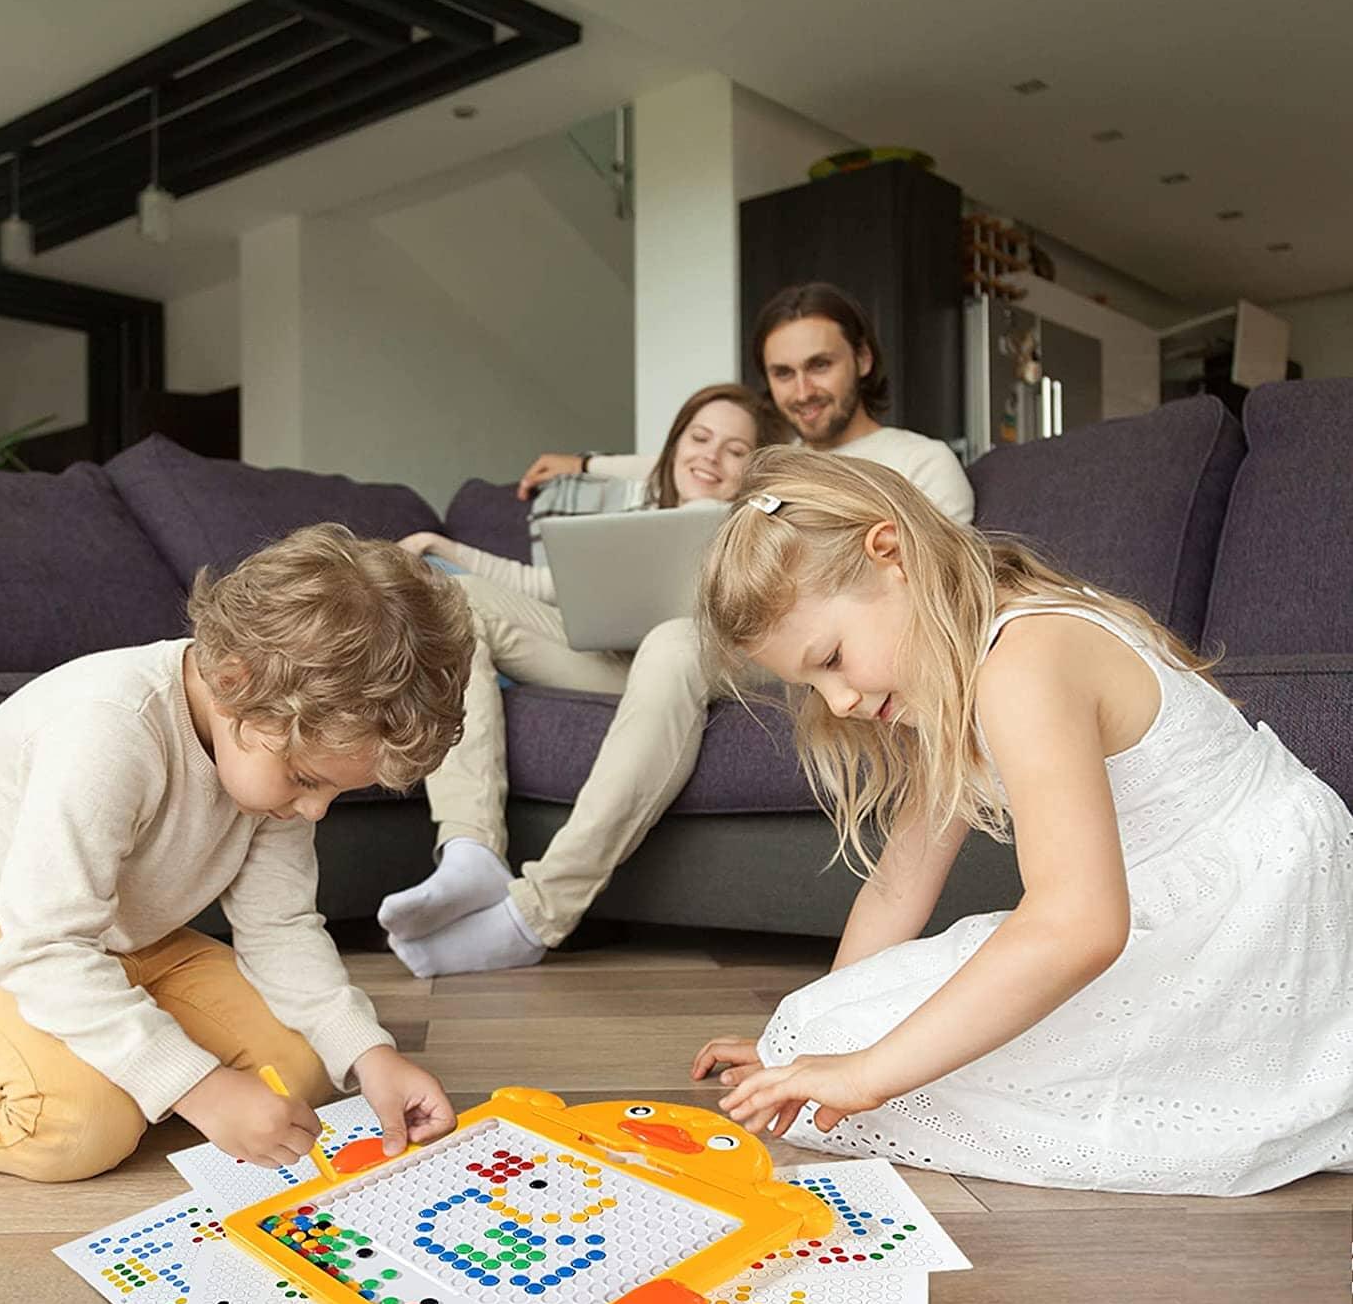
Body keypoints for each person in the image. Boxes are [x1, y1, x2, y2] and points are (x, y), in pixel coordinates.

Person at [691, 449, 1353, 1195]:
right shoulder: (963, 664)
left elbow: (1078, 926)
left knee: (862, 1075)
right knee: (815, 1033)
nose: (837, 702)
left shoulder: (1025, 660)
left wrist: (863, 1070)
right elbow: (898, 883)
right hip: (1170, 907)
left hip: (1247, 919)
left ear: (892, 555)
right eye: (811, 683)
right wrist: (820, 1029)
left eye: (833, 658)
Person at [0, 524, 473, 1182]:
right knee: (79, 1127)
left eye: (335, 791)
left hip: (124, 937)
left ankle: (127, 1058)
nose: (315, 810)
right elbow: (45, 947)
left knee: (303, 1070)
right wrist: (200, 1089)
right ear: (237, 684)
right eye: (306, 780)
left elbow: (279, 927)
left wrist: (371, 1054)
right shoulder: (110, 729)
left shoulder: (273, 757)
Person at [383, 383, 784, 977]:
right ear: (673, 447)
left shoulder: (770, 519)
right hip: (627, 665)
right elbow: (545, 587)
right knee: (454, 600)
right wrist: (445, 546)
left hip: (717, 656)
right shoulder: (642, 520)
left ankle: (537, 914)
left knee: (673, 640)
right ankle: (470, 850)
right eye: (698, 440)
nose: (709, 458)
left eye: (734, 450)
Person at [518, 281, 974, 526]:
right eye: (783, 373)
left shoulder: (921, 461)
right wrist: (583, 464)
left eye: (819, 366)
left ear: (863, 358)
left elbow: (948, 586)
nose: (802, 392)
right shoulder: (769, 466)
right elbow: (678, 464)